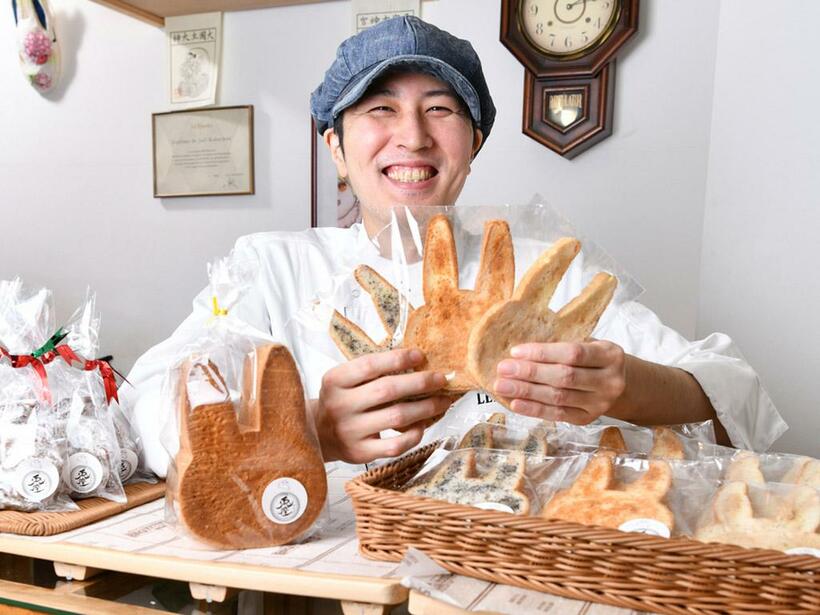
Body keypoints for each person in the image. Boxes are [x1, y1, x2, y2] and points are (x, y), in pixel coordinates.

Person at [124, 16, 786, 477]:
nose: (411, 136)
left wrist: (622, 385)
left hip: (511, 575)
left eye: (440, 109)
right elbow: (148, 404)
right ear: (335, 148)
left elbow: (735, 393)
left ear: (472, 144)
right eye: (379, 109)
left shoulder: (546, 268)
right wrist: (313, 426)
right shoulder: (271, 269)